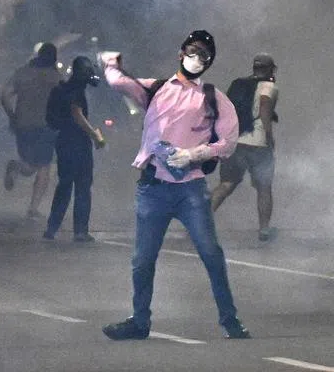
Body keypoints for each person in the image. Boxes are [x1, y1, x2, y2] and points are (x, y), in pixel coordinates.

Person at [99, 30, 251, 341]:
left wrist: (195, 153)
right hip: (153, 186)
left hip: (190, 188)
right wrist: (110, 61)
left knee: (211, 253)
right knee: (143, 259)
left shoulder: (213, 97)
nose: (198, 59)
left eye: (205, 56)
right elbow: (117, 82)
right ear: (181, 52)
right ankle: (139, 322)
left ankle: (230, 320)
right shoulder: (156, 89)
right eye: (194, 51)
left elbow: (229, 141)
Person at [210, 54, 279, 242]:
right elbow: (265, 109)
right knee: (264, 186)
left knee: (226, 184)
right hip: (258, 144)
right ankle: (264, 229)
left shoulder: (238, 84)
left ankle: (201, 222)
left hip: (236, 142)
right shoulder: (268, 87)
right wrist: (269, 136)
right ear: (270, 69)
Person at [42, 56, 106, 242]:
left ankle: (51, 228)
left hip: (63, 142)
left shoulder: (62, 89)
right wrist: (94, 135)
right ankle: (80, 231)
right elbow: (77, 114)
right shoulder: (76, 91)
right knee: (83, 187)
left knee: (64, 185)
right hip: (77, 142)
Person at [0, 42, 63, 218]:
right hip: (47, 125)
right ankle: (33, 208)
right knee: (44, 166)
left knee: (30, 163)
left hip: (23, 124)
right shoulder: (55, 77)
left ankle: (16, 166)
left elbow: (4, 96)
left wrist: (12, 116)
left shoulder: (22, 73)